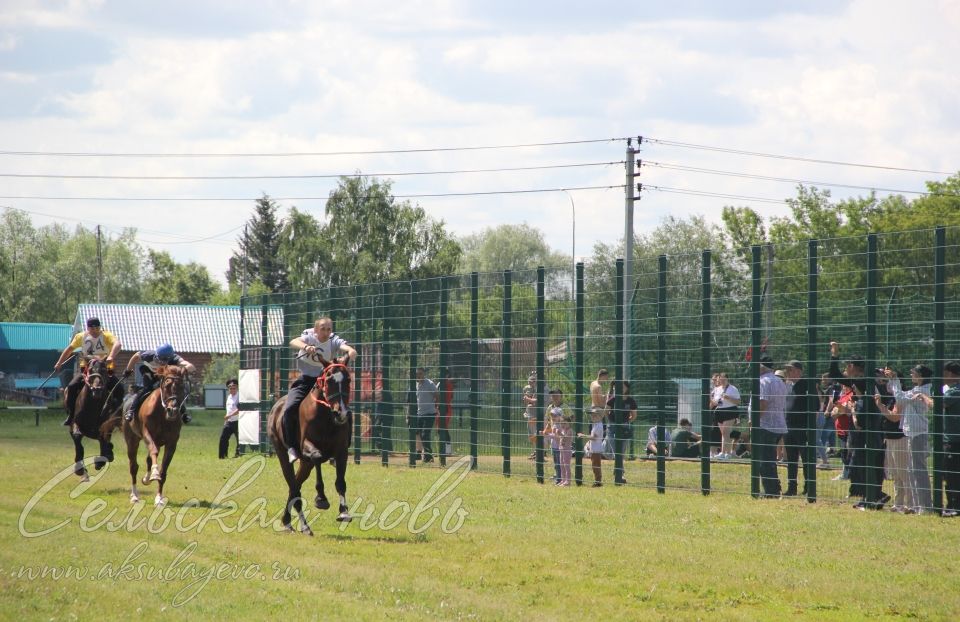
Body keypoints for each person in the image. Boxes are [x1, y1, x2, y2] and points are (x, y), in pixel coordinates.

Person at [283, 317, 357, 463]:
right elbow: (293, 342)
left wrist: (351, 351)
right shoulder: (309, 336)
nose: (326, 332)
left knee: (345, 411)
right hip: (306, 381)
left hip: (327, 382)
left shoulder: (333, 340)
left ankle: (341, 449)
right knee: (289, 408)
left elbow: (345, 347)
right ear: (316, 329)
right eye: (323, 328)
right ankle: (292, 447)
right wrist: (305, 347)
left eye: (329, 329)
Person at [54, 317, 122, 427]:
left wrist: (111, 356)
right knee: (71, 387)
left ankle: (116, 415)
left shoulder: (106, 335)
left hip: (104, 370)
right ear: (88, 328)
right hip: (87, 371)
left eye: (97, 328)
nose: (95, 330)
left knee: (119, 389)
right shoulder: (81, 337)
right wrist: (59, 363)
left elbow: (118, 344)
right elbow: (69, 349)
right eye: (92, 328)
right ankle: (71, 415)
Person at [887, 365, 933, 513]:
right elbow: (900, 394)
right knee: (912, 469)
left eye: (913, 373)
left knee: (918, 469)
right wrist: (893, 380)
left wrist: (895, 379)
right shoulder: (916, 389)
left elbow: (900, 398)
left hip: (918, 433)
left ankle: (925, 506)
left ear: (920, 375)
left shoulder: (923, 390)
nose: (911, 375)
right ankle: (916, 505)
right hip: (912, 432)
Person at [123, 344, 196, 423]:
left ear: (169, 358)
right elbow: (136, 356)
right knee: (147, 388)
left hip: (162, 375)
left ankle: (183, 413)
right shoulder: (148, 355)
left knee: (173, 392)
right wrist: (128, 370)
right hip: (149, 372)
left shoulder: (174, 358)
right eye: (159, 359)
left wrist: (187, 367)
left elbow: (188, 365)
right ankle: (131, 411)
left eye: (164, 360)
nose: (160, 362)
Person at [755, 354, 788, 498]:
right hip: (779, 424)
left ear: (761, 367)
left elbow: (762, 403)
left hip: (765, 425)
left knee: (764, 461)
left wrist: (755, 421)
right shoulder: (779, 381)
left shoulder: (763, 381)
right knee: (770, 460)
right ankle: (775, 488)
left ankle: (771, 492)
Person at [783, 360, 813, 497]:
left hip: (802, 428)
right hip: (788, 428)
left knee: (806, 460)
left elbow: (815, 406)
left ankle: (809, 487)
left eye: (791, 370)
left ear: (799, 371)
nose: (788, 373)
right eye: (787, 370)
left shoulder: (807, 385)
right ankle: (792, 488)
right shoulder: (788, 386)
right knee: (791, 460)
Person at [936, 360, 960, 516]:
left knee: (951, 475)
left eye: (943, 374)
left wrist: (925, 398)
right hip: (951, 439)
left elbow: (938, 404)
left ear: (951, 374)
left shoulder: (955, 391)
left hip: (953, 440)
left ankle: (954, 506)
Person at [710, 372, 741, 459]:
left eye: (724, 379)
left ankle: (727, 453)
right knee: (723, 433)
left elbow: (738, 402)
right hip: (719, 411)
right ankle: (724, 453)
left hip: (730, 411)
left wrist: (728, 398)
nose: (722, 381)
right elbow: (715, 402)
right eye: (720, 379)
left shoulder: (733, 389)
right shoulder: (717, 389)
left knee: (726, 432)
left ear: (727, 379)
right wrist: (711, 399)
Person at [413, 367, 439, 463]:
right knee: (418, 434)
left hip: (429, 413)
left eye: (420, 373)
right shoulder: (415, 385)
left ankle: (428, 455)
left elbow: (437, 394)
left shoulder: (429, 383)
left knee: (425, 434)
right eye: (417, 374)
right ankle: (419, 453)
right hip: (419, 413)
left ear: (424, 374)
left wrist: (436, 407)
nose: (418, 375)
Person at [579, 407, 606, 487]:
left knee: (596, 466)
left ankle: (598, 482)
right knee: (594, 465)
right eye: (592, 415)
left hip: (596, 450)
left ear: (601, 417)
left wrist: (583, 435)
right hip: (594, 449)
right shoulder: (596, 425)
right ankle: (597, 481)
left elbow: (594, 437)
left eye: (595, 415)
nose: (593, 417)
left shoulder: (598, 426)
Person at [543, 389, 564, 483]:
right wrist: (545, 431)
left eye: (557, 395)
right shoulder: (550, 407)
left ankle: (561, 478)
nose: (555, 397)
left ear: (561, 396)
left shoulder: (565, 407)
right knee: (556, 460)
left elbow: (572, 418)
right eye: (553, 396)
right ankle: (557, 475)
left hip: (561, 439)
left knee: (560, 460)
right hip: (553, 439)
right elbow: (548, 421)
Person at [219, 379, 240, 459]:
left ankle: (238, 455)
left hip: (237, 421)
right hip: (229, 421)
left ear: (237, 388)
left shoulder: (239, 396)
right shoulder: (229, 397)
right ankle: (223, 456)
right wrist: (227, 419)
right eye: (230, 388)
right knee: (223, 438)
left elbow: (239, 410)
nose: (232, 390)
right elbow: (229, 409)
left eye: (234, 388)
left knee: (239, 440)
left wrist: (229, 415)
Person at [521, 371, 538, 460]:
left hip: (537, 414)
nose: (530, 382)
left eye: (533, 380)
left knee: (536, 433)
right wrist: (527, 399)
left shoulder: (539, 388)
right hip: (529, 413)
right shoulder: (526, 388)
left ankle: (539, 452)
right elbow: (526, 402)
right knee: (531, 434)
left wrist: (528, 399)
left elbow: (535, 401)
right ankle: (535, 451)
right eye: (530, 380)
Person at [557, 412, 573, 487]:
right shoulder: (562, 430)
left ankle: (568, 481)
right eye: (561, 423)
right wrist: (547, 434)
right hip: (561, 450)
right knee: (561, 465)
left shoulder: (570, 430)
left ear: (569, 423)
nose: (563, 425)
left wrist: (561, 434)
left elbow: (566, 438)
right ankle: (563, 480)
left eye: (565, 423)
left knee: (566, 465)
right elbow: (558, 438)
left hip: (567, 451)